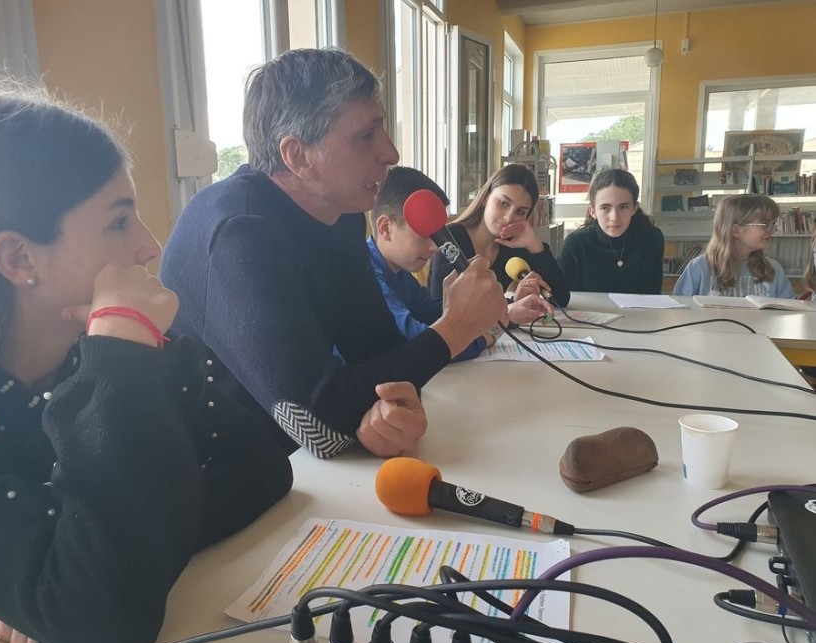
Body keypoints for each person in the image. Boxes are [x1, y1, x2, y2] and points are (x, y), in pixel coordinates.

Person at [0, 91, 293, 643]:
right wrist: (80, 573)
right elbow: (106, 621)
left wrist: (75, 565)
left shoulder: (98, 354)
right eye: (118, 222)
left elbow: (261, 467)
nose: (149, 246)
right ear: (20, 259)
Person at [160, 48, 507, 460]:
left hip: (297, 466)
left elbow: (377, 351)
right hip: (217, 473)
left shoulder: (341, 215)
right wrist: (455, 328)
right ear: (298, 156)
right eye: (366, 135)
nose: (391, 153)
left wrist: (385, 409)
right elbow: (318, 423)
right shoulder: (239, 234)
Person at [367, 167, 552, 361]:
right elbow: (425, 346)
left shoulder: (398, 274)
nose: (435, 247)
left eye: (437, 236)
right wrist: (488, 336)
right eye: (424, 234)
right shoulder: (366, 280)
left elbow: (433, 314)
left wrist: (505, 310)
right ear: (386, 228)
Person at [427, 163, 571, 308]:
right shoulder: (450, 238)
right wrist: (510, 306)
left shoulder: (516, 246)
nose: (509, 217)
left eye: (520, 212)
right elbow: (443, 307)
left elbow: (561, 299)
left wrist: (535, 246)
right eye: (503, 203)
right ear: (486, 197)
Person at [558, 168, 665, 294]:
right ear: (593, 211)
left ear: (634, 208)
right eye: (605, 208)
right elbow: (563, 298)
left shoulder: (652, 239)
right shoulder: (575, 244)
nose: (614, 218)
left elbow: (652, 295)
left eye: (623, 207)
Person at [673, 194, 793, 298]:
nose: (773, 229)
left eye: (773, 223)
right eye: (765, 224)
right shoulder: (699, 267)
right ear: (736, 230)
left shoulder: (773, 269)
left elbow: (788, 310)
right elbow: (679, 310)